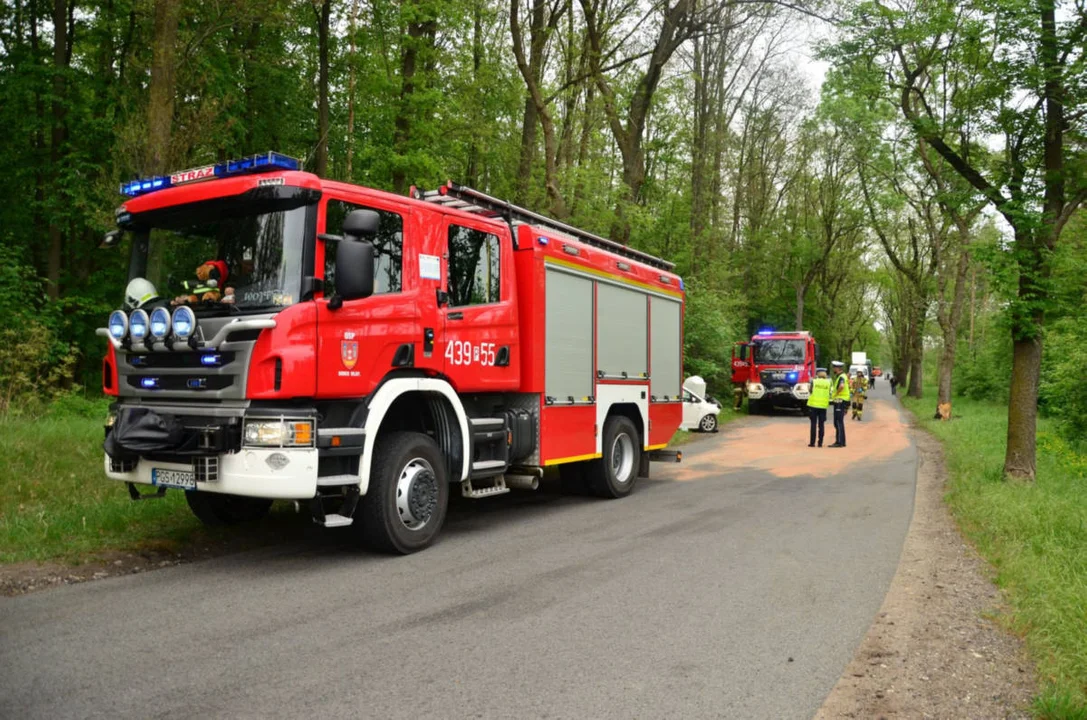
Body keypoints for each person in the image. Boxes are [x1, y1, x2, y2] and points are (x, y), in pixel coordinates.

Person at [806, 367, 831, 447]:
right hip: (823, 406)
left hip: (813, 405)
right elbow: (830, 392)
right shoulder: (828, 382)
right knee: (821, 425)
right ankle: (820, 443)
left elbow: (810, 390)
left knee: (813, 424)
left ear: (817, 374)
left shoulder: (814, 381)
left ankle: (812, 442)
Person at [829, 360, 850, 447]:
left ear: (837, 368)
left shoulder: (841, 377)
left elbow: (841, 386)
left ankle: (840, 442)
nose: (833, 369)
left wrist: (837, 393)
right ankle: (841, 441)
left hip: (840, 400)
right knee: (838, 421)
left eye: (834, 367)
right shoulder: (842, 376)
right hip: (841, 401)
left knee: (838, 422)